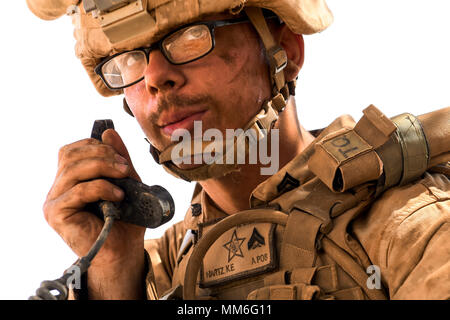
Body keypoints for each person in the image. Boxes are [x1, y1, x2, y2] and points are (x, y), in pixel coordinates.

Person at [27, 0, 449, 300]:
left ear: (287, 51)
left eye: (191, 38)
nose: (155, 78)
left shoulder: (410, 227)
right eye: (129, 61)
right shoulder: (151, 269)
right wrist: (113, 272)